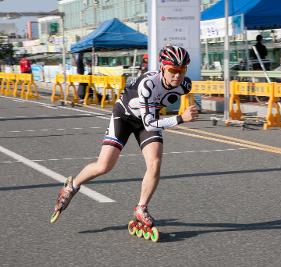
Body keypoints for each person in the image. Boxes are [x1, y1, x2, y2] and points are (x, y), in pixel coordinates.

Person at [50, 46, 199, 228]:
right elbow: (151, 124)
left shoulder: (185, 85)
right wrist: (181, 118)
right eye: (173, 70)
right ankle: (71, 186)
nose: (177, 76)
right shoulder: (149, 84)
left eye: (182, 71)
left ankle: (141, 208)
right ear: (162, 67)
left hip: (147, 117)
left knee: (155, 162)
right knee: (104, 165)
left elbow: (166, 109)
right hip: (125, 116)